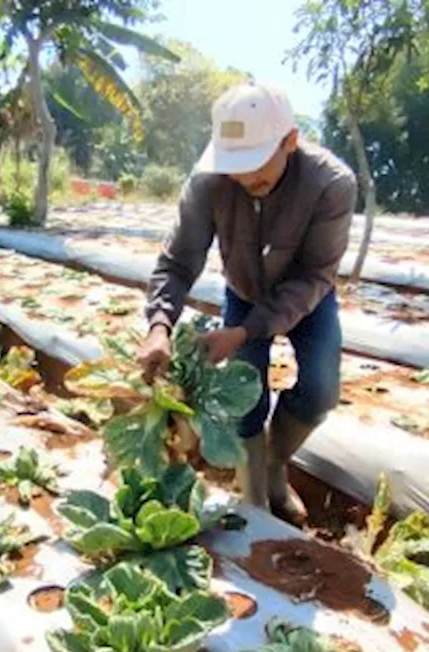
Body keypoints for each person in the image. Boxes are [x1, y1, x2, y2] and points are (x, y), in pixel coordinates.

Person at [138, 82, 357, 525]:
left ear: (290, 142)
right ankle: (255, 496)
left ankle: (275, 465)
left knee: (319, 390)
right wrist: (159, 326)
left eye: (256, 166)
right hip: (244, 290)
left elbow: (316, 274)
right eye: (235, 167)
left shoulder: (331, 184)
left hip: (308, 297)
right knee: (244, 396)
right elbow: (178, 262)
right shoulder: (208, 182)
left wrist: (243, 332)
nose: (244, 178)